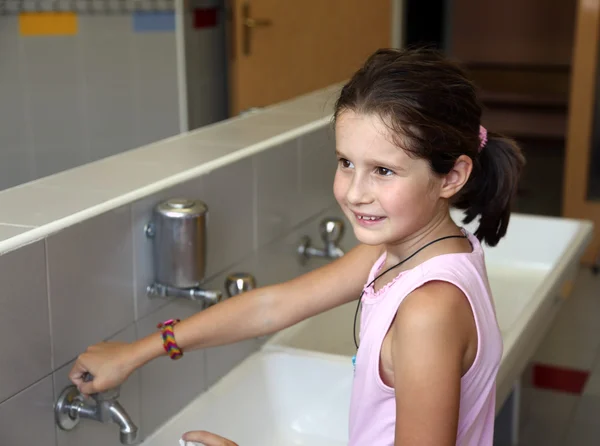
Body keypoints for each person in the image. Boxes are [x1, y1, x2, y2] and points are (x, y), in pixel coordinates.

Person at [70, 47, 525, 446]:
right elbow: (273, 306)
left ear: (452, 176)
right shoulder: (408, 253)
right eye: (346, 162)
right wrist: (138, 351)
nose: (354, 192)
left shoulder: (429, 309)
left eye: (383, 171)